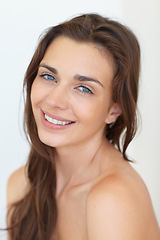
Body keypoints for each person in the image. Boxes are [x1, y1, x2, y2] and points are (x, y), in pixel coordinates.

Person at [7, 13, 160, 240]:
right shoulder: (22, 184)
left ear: (114, 109)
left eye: (84, 88)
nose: (54, 101)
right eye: (49, 76)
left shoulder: (113, 200)